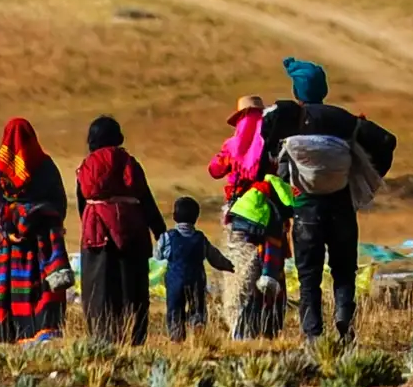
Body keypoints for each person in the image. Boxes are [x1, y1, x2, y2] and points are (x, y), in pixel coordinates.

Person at [258, 56, 389, 342]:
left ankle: (312, 333)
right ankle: (343, 316)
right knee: (343, 269)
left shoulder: (290, 120)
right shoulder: (343, 119)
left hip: (306, 208)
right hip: (341, 205)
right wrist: (368, 179)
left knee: (309, 275)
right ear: (323, 89)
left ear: (297, 91)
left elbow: (265, 142)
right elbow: (386, 141)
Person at [210, 96, 291, 338]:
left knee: (240, 269)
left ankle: (239, 325)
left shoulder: (232, 147)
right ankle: (269, 325)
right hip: (273, 214)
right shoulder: (275, 147)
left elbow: (214, 170)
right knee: (271, 267)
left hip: (241, 215)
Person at [74, 115, 158, 345]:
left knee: (99, 288)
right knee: (132, 287)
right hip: (133, 231)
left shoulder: (86, 166)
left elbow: (82, 204)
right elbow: (146, 199)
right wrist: (160, 231)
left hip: (97, 232)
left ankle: (102, 338)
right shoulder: (131, 163)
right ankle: (134, 337)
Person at [0, 116, 69, 343]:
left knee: (14, 291)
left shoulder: (0, 170)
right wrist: (46, 222)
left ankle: (14, 335)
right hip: (42, 241)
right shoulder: (46, 166)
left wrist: (7, 231)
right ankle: (42, 332)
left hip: (11, 246)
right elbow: (59, 202)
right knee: (40, 288)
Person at [157, 195, 233, 341]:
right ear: (196, 218)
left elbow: (158, 255)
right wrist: (227, 265)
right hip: (196, 280)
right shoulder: (200, 238)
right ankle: (197, 327)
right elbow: (214, 257)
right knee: (197, 308)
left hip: (175, 282)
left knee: (175, 310)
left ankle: (176, 338)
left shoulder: (168, 237)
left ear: (174, 216)